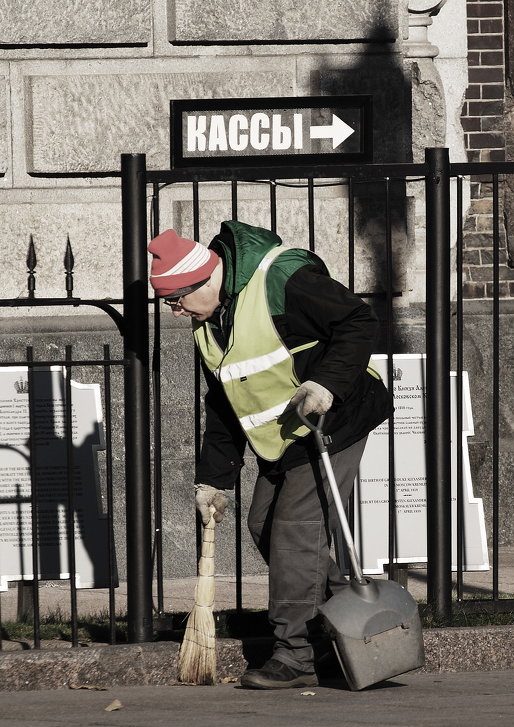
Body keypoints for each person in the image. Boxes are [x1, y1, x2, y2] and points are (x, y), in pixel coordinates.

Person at [148, 221, 392, 690]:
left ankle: (295, 653)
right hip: (281, 438)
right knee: (264, 524)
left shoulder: (281, 279)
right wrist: (213, 480)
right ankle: (346, 623)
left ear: (202, 281)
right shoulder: (210, 324)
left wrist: (326, 385)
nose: (174, 311)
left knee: (296, 533)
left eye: (175, 299)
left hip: (333, 419)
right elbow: (222, 405)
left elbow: (358, 321)